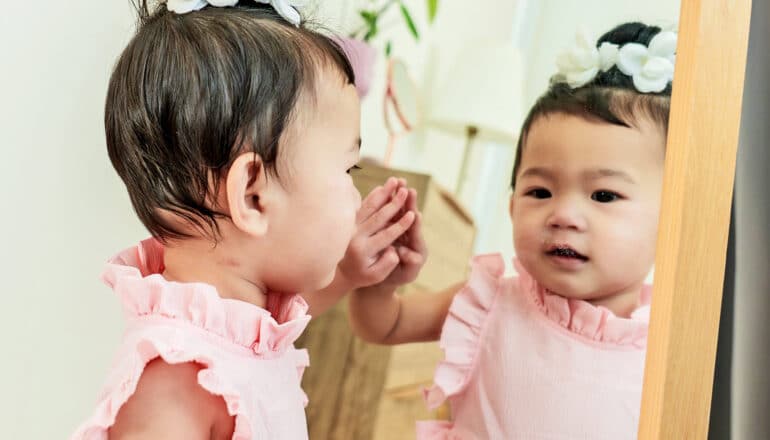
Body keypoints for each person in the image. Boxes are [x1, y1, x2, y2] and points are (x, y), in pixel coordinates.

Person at [70, 1, 426, 438]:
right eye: (347, 170)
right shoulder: (179, 381)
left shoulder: (234, 330)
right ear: (253, 195)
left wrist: (349, 271)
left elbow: (257, 345)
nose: (357, 198)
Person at [349, 21, 676, 439]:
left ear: (667, 224)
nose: (564, 215)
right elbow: (385, 325)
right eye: (540, 191)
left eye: (604, 196)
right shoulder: (490, 303)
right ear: (511, 205)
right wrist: (376, 285)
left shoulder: (665, 358)